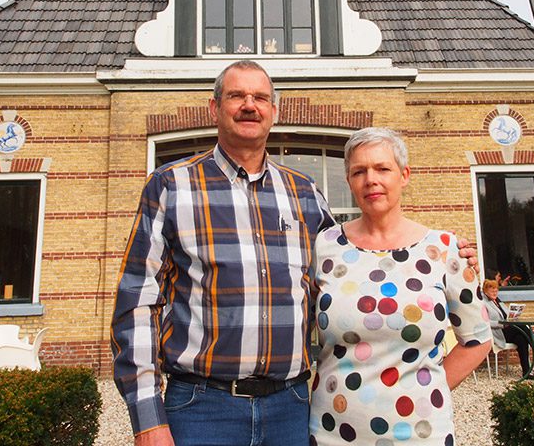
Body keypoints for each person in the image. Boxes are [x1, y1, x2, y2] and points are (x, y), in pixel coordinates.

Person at [111, 62, 480, 446]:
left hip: (291, 408)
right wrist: (148, 419)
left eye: (261, 97)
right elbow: (137, 304)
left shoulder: (304, 194)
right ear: (214, 107)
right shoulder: (170, 186)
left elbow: (360, 266)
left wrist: (448, 258)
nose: (249, 105)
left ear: (275, 111)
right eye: (237, 96)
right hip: (202, 408)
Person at [309, 128, 492, 446]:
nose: (371, 180)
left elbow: (477, 340)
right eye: (359, 171)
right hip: (332, 431)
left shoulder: (445, 249)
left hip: (421, 433)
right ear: (349, 181)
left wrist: (427, 386)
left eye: (382, 168)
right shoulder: (323, 247)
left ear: (404, 175)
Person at [482, 279, 534, 379]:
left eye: (496, 290)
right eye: (492, 291)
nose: (495, 293)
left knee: (521, 339)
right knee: (522, 327)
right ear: (485, 291)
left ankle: (526, 372)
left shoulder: (498, 301)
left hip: (509, 330)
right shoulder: (483, 303)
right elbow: (484, 323)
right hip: (498, 333)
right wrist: (501, 324)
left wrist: (513, 316)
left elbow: (507, 315)